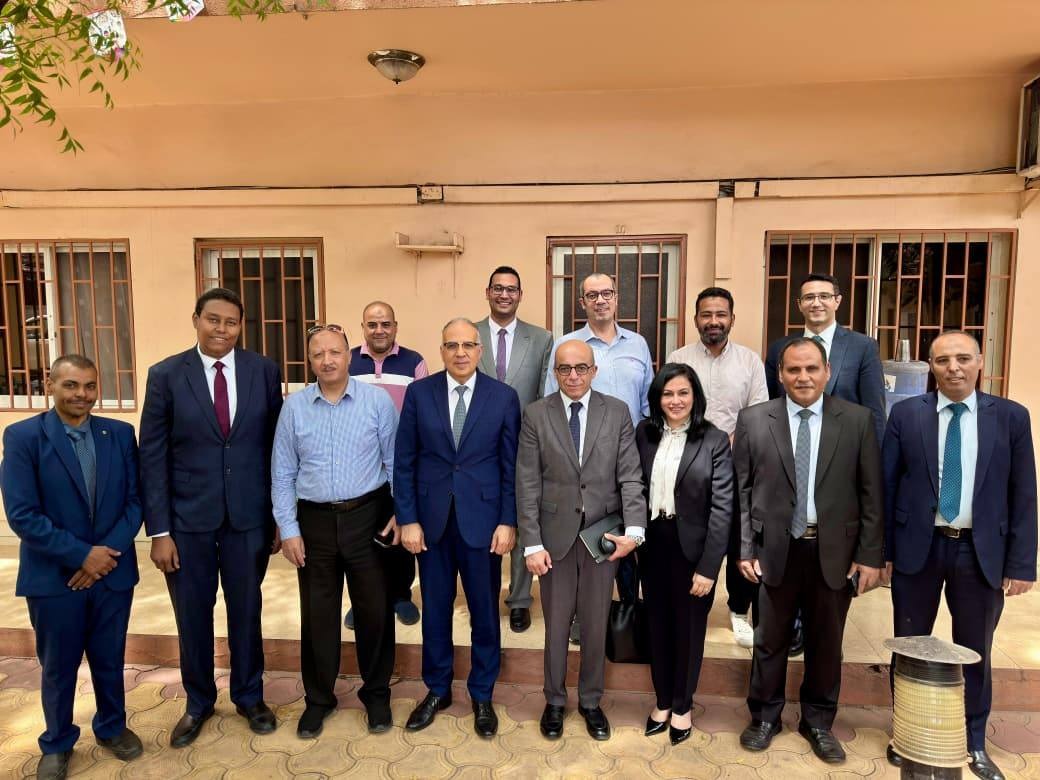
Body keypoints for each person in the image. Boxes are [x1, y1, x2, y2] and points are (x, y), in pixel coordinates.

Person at [882, 330, 1036, 780]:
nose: (953, 368)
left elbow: (1023, 493)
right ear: (930, 366)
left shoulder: (1010, 417)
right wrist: (883, 552)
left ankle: (973, 741)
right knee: (909, 644)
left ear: (979, 362)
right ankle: (905, 731)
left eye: (963, 358)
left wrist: (1021, 564)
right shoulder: (906, 414)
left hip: (979, 551)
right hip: (918, 548)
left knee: (976, 649)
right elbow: (887, 487)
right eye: (943, 360)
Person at [139, 288, 283, 747]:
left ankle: (249, 696)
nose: (222, 329)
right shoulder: (165, 375)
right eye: (213, 319)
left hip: (248, 519)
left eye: (231, 322)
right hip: (186, 523)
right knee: (192, 616)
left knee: (247, 611)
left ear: (241, 326)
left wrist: (277, 518)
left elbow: (276, 448)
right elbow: (152, 456)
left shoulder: (263, 370)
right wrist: (160, 531)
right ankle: (198, 701)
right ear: (196, 319)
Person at [735, 338, 883, 765]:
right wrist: (745, 548)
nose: (803, 377)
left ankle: (818, 722)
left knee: (826, 641)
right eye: (793, 370)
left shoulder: (856, 420)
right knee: (769, 639)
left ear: (827, 372)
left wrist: (869, 555)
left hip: (833, 550)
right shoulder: (754, 419)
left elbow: (872, 492)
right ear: (780, 375)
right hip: (773, 550)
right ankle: (764, 716)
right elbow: (742, 490)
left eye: (812, 369)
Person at [1, 356, 144, 780]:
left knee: (109, 658)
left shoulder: (119, 434)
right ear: (50, 385)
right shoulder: (24, 437)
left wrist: (104, 555)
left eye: (89, 386)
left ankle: (112, 727)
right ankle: (58, 741)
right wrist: (82, 555)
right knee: (59, 666)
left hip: (112, 573)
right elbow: (22, 514)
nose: (81, 394)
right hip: (54, 577)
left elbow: (136, 502)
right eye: (71, 385)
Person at [394, 318, 521, 738]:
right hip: (431, 524)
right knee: (435, 611)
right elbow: (404, 460)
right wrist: (408, 518)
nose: (461, 352)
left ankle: (482, 693)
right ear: (442, 350)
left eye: (468, 345)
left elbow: (510, 466)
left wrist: (507, 520)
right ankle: (437, 690)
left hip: (483, 524)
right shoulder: (420, 393)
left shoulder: (503, 397)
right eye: (452, 345)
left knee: (484, 612)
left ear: (480, 350)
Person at [272, 324, 399, 738]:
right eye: (318, 354)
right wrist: (289, 529)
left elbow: (396, 462)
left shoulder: (376, 402)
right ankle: (318, 699)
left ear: (349, 355)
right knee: (318, 615)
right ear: (309, 361)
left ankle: (376, 694)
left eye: (334, 352)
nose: (327, 360)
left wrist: (401, 512)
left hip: (368, 517)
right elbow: (282, 473)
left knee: (374, 612)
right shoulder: (294, 408)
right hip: (314, 524)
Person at [516, 339, 646, 742]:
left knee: (594, 623)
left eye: (581, 368)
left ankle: (591, 701)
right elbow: (527, 481)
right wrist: (531, 543)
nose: (573, 376)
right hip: (553, 538)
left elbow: (630, 475)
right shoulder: (536, 414)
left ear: (594, 370)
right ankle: (554, 700)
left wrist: (634, 531)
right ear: (554, 372)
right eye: (564, 369)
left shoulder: (617, 411)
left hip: (601, 538)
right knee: (556, 626)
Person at [763, 272, 885, 656]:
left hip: (840, 470)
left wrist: (871, 468)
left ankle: (819, 635)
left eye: (823, 296)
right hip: (791, 466)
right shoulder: (780, 348)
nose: (816, 302)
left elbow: (874, 413)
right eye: (808, 297)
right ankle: (794, 627)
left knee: (828, 566)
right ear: (799, 305)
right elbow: (773, 410)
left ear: (837, 301)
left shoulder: (862, 347)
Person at [544, 272, 654, 644]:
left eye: (606, 293)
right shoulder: (567, 345)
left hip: (628, 462)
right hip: (580, 467)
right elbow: (552, 406)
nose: (600, 300)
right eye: (592, 295)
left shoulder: (638, 344)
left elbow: (647, 405)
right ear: (582, 302)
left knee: (625, 542)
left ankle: (626, 619)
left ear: (616, 297)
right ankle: (580, 619)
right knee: (583, 545)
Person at [635, 363, 734, 746]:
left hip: (693, 549)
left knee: (689, 630)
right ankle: (662, 700)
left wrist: (709, 567)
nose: (675, 401)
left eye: (683, 393)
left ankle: (682, 705)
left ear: (695, 397)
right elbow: (632, 485)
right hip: (652, 543)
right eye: (667, 393)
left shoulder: (714, 439)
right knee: (657, 625)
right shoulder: (644, 434)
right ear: (656, 398)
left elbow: (723, 508)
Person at [667, 287, 767, 649]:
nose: (713, 321)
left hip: (737, 463)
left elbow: (759, 413)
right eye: (706, 315)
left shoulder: (750, 362)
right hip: (688, 467)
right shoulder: (678, 358)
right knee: (692, 534)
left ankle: (738, 610)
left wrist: (729, 444)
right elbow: (670, 406)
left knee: (739, 536)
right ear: (696, 319)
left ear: (732, 319)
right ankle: (690, 602)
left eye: (720, 314)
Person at [475, 265, 553, 634]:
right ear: (487, 292)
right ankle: (484, 595)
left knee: (523, 521)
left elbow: (542, 393)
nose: (504, 294)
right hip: (476, 447)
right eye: (498, 288)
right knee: (482, 521)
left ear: (520, 295)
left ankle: (520, 598)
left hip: (524, 444)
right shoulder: (469, 334)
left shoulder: (541, 339)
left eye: (511, 289)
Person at [345, 300, 428, 630]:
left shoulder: (414, 362)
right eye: (372, 324)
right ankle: (361, 600)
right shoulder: (348, 360)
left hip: (401, 462)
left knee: (400, 527)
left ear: (395, 327)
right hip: (358, 465)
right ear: (363, 327)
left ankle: (401, 595)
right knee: (359, 537)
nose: (379, 330)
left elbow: (422, 411)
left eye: (385, 324)